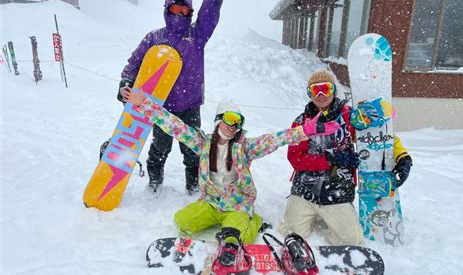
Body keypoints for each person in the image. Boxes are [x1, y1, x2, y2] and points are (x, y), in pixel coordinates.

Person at [122, 87, 340, 249]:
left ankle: (252, 220)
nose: (233, 126)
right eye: (229, 120)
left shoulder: (245, 147)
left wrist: (306, 131)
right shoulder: (203, 143)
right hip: (212, 202)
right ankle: (225, 222)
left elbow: (276, 139)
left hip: (237, 203)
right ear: (218, 121)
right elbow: (174, 126)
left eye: (237, 122)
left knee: (238, 238)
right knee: (182, 222)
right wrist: (144, 104)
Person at [117, 0, 233, 195]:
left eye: (185, 10)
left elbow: (209, 12)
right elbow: (135, 61)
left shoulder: (197, 36)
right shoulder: (154, 38)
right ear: (167, 10)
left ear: (190, 13)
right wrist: (126, 81)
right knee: (160, 147)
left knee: (192, 148)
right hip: (161, 106)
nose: (180, 14)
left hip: (190, 104)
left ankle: (193, 183)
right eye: (175, 9)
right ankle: (154, 181)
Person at [278, 69, 413, 246]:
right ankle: (317, 214)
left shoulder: (350, 117)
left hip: (338, 191)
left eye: (325, 89)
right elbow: (295, 158)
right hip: (305, 190)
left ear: (333, 90)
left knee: (350, 241)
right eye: (315, 90)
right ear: (309, 93)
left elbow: (379, 137)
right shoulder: (302, 122)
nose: (320, 95)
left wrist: (402, 157)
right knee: (290, 232)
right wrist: (330, 160)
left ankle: (331, 214)